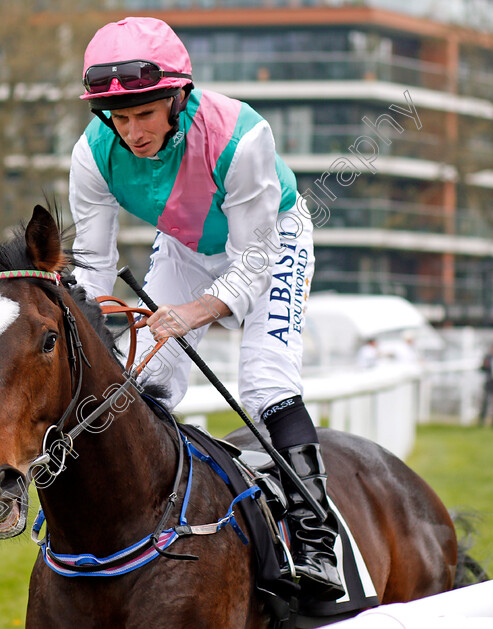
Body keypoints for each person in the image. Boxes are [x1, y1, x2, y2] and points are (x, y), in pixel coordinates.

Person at [68, 17, 343, 600]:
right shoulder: (92, 156)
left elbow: (251, 262)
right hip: (188, 245)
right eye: (118, 117)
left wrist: (194, 313)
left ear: (177, 97)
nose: (132, 132)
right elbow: (92, 268)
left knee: (265, 383)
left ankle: (319, 542)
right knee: (145, 377)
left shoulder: (242, 137)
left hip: (270, 241)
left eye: (145, 113)